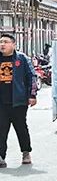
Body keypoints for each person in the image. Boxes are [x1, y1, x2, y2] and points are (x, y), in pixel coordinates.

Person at [0, 32, 37, 168]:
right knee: (1, 129)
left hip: (18, 101)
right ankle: (1, 156)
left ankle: (26, 152)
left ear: (13, 44)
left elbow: (31, 77)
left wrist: (32, 95)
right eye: (1, 42)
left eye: (6, 42)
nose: (2, 44)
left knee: (21, 128)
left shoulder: (21, 59)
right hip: (2, 103)